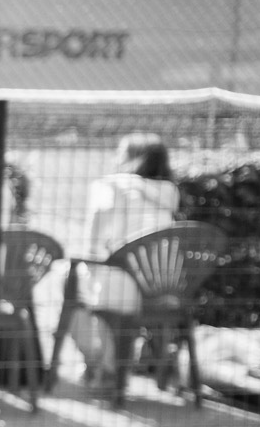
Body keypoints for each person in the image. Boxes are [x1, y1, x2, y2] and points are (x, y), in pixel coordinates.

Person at [71, 133, 180, 388]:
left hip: (122, 289)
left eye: (121, 152)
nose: (116, 157)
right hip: (163, 290)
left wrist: (88, 266)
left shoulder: (112, 186)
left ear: (136, 158)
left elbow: (93, 240)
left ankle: (100, 365)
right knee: (98, 283)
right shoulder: (171, 192)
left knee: (71, 283)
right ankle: (108, 366)